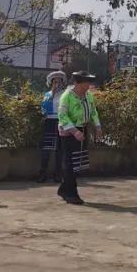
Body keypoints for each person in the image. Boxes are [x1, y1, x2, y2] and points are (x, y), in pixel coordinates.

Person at [56, 71, 103, 205]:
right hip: (69, 131)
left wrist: (98, 126)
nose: (88, 86)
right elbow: (62, 116)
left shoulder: (88, 96)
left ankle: (64, 189)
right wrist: (74, 131)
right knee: (70, 163)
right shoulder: (67, 96)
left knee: (78, 163)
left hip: (83, 129)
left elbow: (93, 111)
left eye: (89, 83)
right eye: (85, 83)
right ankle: (71, 193)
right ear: (76, 83)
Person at [38, 71, 66, 182]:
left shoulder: (65, 94)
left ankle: (58, 174)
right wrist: (52, 95)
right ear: (51, 83)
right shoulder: (47, 95)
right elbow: (44, 108)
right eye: (55, 82)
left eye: (59, 82)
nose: (57, 84)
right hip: (49, 122)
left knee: (59, 150)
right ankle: (43, 174)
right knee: (46, 150)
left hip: (61, 122)